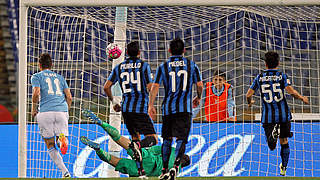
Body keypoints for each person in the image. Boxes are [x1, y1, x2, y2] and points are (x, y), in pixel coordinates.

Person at [246, 51, 309, 176]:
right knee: (284, 141)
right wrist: (302, 98)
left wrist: (250, 102)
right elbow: (291, 92)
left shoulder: (259, 77)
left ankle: (272, 136)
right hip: (283, 115)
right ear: (278, 63)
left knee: (272, 146)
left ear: (265, 64)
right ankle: (284, 167)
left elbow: (248, 94)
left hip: (268, 117)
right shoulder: (282, 76)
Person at [148, 38, 203, 180]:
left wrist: (150, 105)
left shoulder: (163, 66)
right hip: (184, 108)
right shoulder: (192, 65)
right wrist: (198, 97)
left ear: (169, 50)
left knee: (167, 139)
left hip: (168, 109)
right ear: (184, 51)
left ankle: (164, 169)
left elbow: (155, 87)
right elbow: (200, 84)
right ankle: (175, 166)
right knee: (181, 139)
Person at [80, 109, 190, 177]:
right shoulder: (176, 171)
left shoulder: (173, 151)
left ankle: (101, 123)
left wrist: (141, 151)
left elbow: (156, 149)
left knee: (120, 139)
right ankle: (98, 149)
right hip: (144, 171)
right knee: (115, 161)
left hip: (149, 158)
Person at [104, 41, 158, 178]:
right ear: (139, 52)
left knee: (135, 138)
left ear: (126, 53)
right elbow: (150, 86)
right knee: (153, 139)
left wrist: (114, 102)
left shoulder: (119, 67)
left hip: (126, 109)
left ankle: (140, 172)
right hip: (140, 109)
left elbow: (106, 87)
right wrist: (151, 104)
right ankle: (137, 148)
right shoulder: (143, 66)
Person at [31, 53, 72, 178]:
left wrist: (33, 109)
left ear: (39, 65)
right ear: (51, 64)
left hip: (45, 112)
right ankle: (62, 140)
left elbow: (36, 93)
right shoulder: (59, 77)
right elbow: (69, 96)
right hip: (61, 111)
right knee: (61, 136)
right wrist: (66, 111)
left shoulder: (36, 76)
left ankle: (65, 172)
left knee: (49, 144)